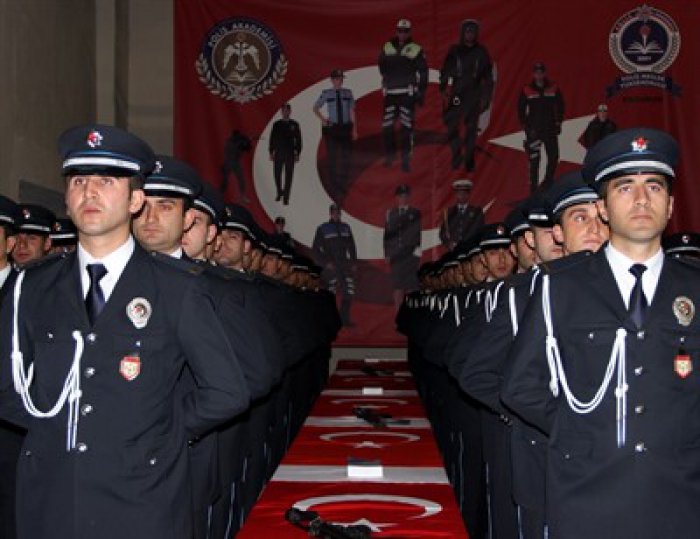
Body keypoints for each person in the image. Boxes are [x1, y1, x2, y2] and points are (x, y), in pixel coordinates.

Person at [0, 125, 250, 539]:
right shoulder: (31, 286)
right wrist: (52, 428)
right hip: (51, 496)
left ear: (135, 200)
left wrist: (156, 433)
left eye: (106, 181)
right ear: (66, 196)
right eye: (79, 181)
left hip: (142, 499)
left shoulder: (176, 288)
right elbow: (6, 384)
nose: (90, 193)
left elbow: (226, 390)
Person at [503, 128, 700, 539]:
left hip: (681, 500)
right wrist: (576, 432)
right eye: (625, 187)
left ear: (670, 206)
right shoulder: (560, 288)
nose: (642, 199)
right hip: (586, 496)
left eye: (654, 187)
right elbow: (520, 386)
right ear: (604, 208)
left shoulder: (694, 287)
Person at [440, 19, 494, 172]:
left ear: (476, 34)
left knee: (471, 129)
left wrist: (487, 97)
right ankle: (456, 155)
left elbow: (488, 77)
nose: (469, 34)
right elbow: (445, 70)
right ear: (462, 33)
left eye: (472, 31)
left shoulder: (481, 52)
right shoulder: (454, 50)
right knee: (451, 126)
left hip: (474, 92)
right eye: (467, 31)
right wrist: (443, 88)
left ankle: (469, 160)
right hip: (457, 91)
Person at [379, 19, 428, 172]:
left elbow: (424, 72)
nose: (402, 33)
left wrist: (421, 92)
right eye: (400, 30)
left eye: (405, 31)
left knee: (406, 129)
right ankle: (390, 156)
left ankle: (405, 161)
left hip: (407, 94)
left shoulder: (416, 49)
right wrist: (389, 79)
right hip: (391, 94)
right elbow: (381, 66)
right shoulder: (387, 47)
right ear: (396, 31)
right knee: (387, 127)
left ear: (410, 32)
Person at [518, 62, 564, 193]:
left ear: (545, 73)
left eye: (541, 72)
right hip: (534, 132)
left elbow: (560, 106)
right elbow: (520, 110)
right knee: (534, 161)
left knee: (554, 156)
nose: (539, 75)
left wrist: (558, 122)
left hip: (550, 129)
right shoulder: (527, 89)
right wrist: (527, 128)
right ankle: (533, 190)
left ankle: (547, 183)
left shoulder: (553, 87)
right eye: (536, 72)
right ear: (533, 74)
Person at [312, 203, 358, 327]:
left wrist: (353, 262)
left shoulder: (346, 227)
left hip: (344, 264)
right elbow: (315, 250)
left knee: (348, 291)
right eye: (334, 212)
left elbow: (352, 246)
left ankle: (344, 320)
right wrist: (326, 263)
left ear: (340, 213)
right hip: (331, 265)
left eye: (338, 212)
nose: (336, 214)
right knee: (330, 292)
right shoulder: (322, 228)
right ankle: (329, 319)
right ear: (330, 213)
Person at [313, 70, 357, 198]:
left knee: (346, 159)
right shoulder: (327, 93)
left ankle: (343, 186)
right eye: (337, 79)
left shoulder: (348, 93)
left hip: (345, 128)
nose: (340, 81)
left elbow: (352, 111)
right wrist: (323, 119)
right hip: (332, 128)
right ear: (332, 80)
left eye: (341, 78)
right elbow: (315, 108)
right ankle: (333, 187)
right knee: (332, 158)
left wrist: (354, 129)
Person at [384, 184, 421, 308]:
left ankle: (409, 317)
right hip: (396, 256)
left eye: (405, 196)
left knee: (411, 288)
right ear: (396, 198)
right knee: (398, 288)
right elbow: (387, 235)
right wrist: (387, 254)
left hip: (410, 256)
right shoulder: (391, 213)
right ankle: (398, 317)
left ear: (409, 197)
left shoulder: (415, 213)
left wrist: (417, 254)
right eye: (400, 196)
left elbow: (417, 234)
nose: (403, 199)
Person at [269, 103, 302, 205]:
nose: (285, 112)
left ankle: (286, 197)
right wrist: (271, 151)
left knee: (289, 176)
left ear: (290, 111)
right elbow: (272, 139)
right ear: (281, 112)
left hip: (290, 153)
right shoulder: (276, 124)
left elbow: (299, 139)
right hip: (278, 152)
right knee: (277, 174)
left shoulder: (294, 124)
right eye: (283, 110)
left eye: (287, 110)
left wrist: (298, 152)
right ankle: (279, 192)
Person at [439, 179, 485, 249]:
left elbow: (481, 231)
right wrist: (449, 244)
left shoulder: (476, 212)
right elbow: (443, 233)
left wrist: (473, 243)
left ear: (468, 194)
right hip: (453, 250)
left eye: (464, 193)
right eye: (459, 193)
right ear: (456, 195)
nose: (462, 196)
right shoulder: (448, 212)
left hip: (471, 249)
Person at [221, 129, 252, 203]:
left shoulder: (234, 141)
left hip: (233, 162)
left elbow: (247, 148)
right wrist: (247, 141)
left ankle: (243, 197)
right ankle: (220, 195)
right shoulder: (233, 142)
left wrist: (247, 141)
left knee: (240, 180)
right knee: (226, 181)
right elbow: (244, 147)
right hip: (230, 162)